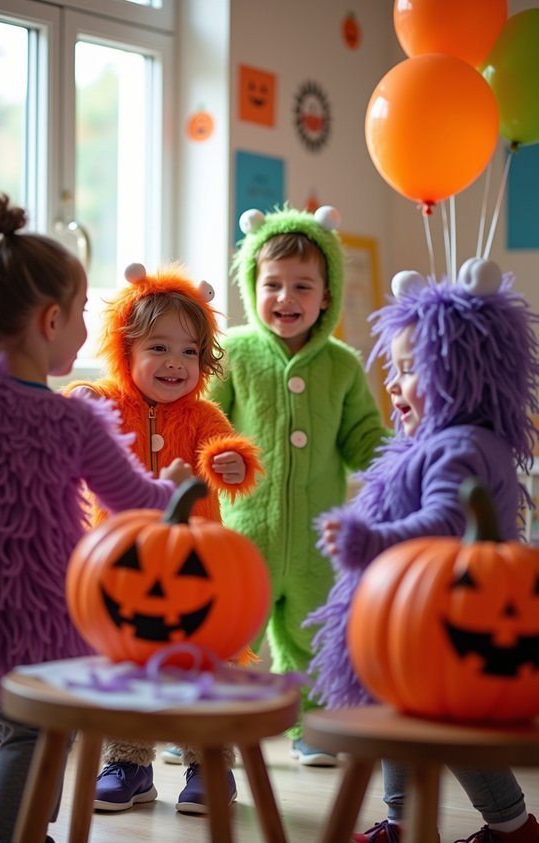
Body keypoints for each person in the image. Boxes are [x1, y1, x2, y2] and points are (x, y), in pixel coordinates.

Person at [0, 193, 194, 843]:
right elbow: (133, 501)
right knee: (35, 732)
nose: (84, 333)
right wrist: (175, 484)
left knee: (15, 725)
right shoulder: (71, 419)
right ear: (51, 319)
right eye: (82, 316)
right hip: (36, 606)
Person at [306, 260, 539, 843]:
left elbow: (442, 522)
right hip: (440, 612)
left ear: (460, 375)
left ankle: (456, 825)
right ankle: (446, 823)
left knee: (421, 725)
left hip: (442, 616)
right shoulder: (469, 440)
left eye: (409, 370)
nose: (392, 384)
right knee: (414, 723)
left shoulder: (457, 447)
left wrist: (371, 540)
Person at [64, 261, 263, 813]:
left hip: (199, 564)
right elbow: (74, 423)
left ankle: (208, 763)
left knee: (206, 660)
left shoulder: (202, 415)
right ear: (125, 351)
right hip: (122, 561)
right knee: (127, 661)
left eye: (189, 351)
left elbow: (231, 449)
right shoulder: (107, 401)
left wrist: (229, 461)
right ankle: (128, 762)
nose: (175, 362)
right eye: (159, 348)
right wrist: (79, 406)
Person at [205, 204, 388, 765]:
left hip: (316, 538)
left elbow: (362, 434)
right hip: (245, 532)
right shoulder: (234, 353)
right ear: (251, 286)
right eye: (273, 284)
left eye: (302, 286)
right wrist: (219, 457)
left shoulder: (342, 364)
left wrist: (396, 463)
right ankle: (211, 728)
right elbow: (206, 421)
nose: (285, 298)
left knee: (313, 635)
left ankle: (310, 724)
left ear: (327, 295)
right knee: (233, 633)